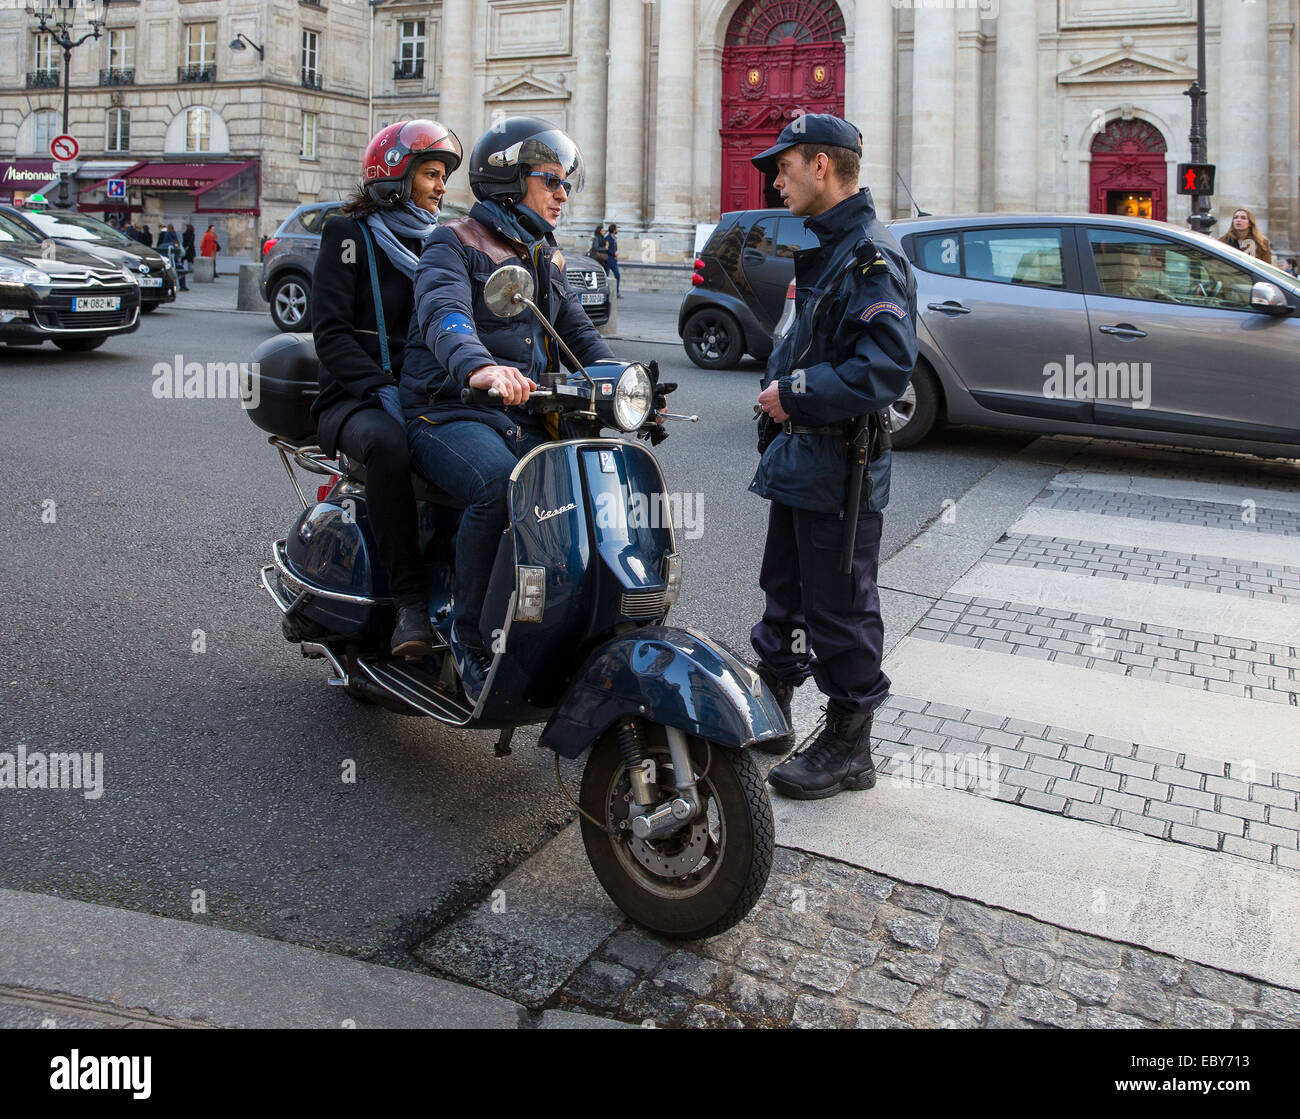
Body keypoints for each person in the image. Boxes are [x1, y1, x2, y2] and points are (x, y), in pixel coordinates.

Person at [400, 116, 615, 699]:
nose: (562, 194)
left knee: (582, 482)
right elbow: (444, 314)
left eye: (566, 182)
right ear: (508, 182)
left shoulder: (542, 257)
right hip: (447, 412)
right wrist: (479, 366)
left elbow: (580, 338)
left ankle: (562, 621)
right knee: (499, 484)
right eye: (550, 180)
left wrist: (628, 383)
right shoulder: (454, 241)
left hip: (517, 415)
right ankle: (470, 641)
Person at [747, 113, 918, 800]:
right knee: (785, 594)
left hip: (839, 468)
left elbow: (884, 370)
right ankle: (775, 705)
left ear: (821, 166)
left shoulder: (870, 255)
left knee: (840, 609)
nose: (775, 178)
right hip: (801, 461)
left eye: (783, 165)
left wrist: (795, 390)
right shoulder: (829, 245)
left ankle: (849, 744)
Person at [311, 120, 463, 659]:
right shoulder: (346, 235)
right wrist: (380, 387)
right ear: (396, 176)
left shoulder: (443, 243)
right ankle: (410, 603)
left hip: (426, 391)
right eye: (431, 174)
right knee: (391, 443)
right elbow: (328, 334)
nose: (441, 186)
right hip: (354, 398)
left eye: (443, 175)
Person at [156, 224, 187, 291]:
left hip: (166, 260)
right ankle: (183, 286)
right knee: (180, 267)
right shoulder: (175, 236)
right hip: (174, 261)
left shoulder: (164, 239)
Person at [605, 222, 621, 296]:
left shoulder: (614, 238)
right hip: (608, 260)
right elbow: (606, 249)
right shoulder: (607, 238)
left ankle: (617, 292)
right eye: (616, 228)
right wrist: (613, 253)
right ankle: (606, 292)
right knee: (606, 276)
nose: (617, 230)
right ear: (614, 230)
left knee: (617, 275)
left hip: (614, 260)